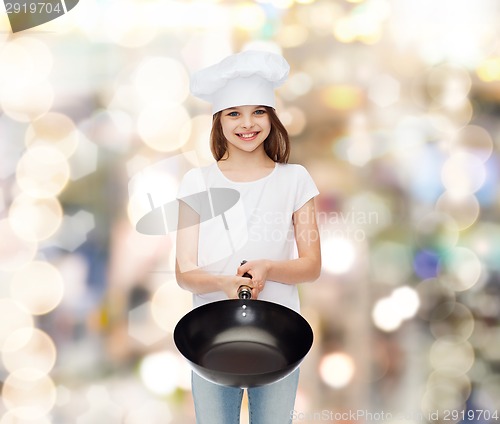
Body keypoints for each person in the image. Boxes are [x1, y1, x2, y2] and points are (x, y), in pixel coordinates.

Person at [175, 50, 321, 424]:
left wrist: (268, 267)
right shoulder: (198, 182)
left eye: (258, 111)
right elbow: (183, 271)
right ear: (218, 121)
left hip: (279, 339)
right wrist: (224, 282)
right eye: (234, 113)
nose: (247, 124)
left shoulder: (295, 180)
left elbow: (311, 265)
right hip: (211, 336)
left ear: (271, 117)